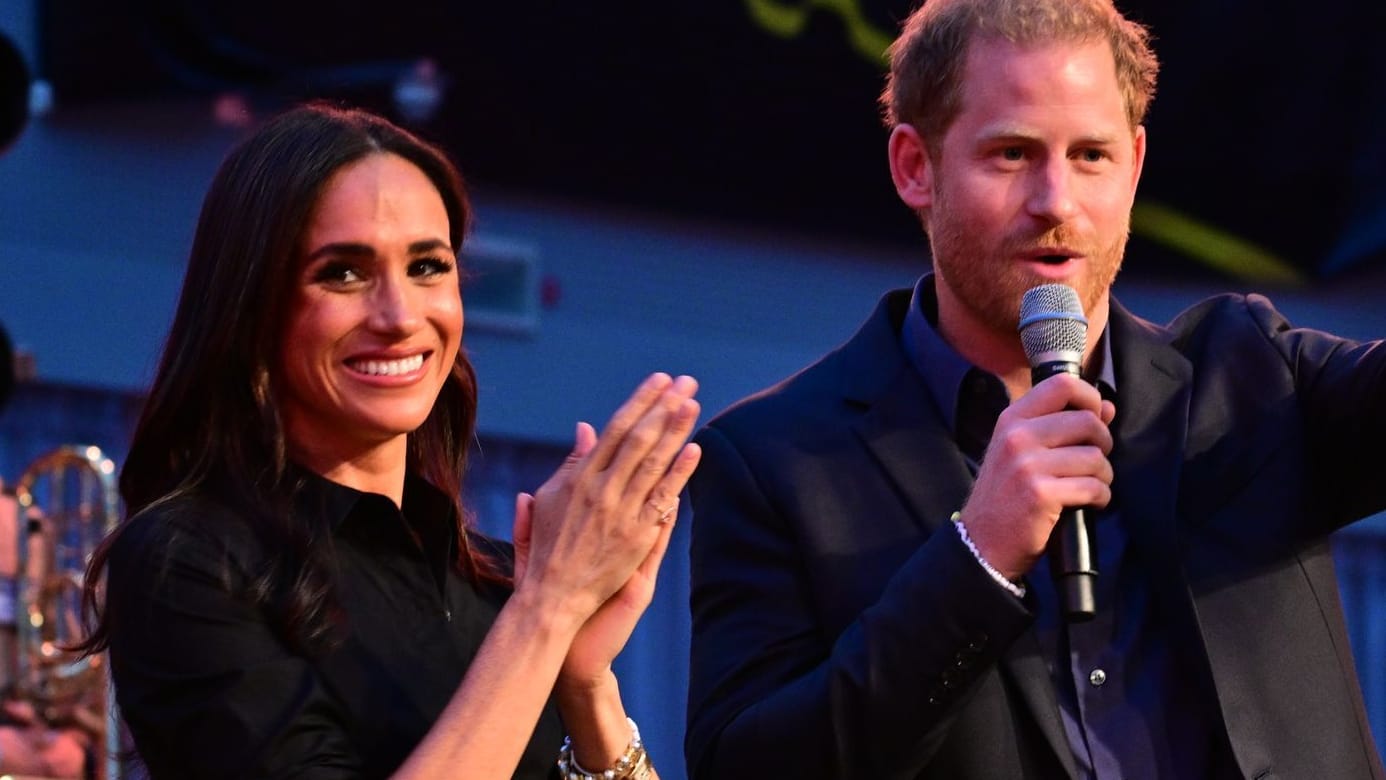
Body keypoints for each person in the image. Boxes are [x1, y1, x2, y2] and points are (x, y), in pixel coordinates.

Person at [684, 0, 1386, 778]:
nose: (1057, 201)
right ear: (916, 167)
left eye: (1091, 155)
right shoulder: (774, 462)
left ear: (1136, 164)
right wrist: (975, 559)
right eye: (1013, 155)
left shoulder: (1251, 375)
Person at [76, 102, 702, 779]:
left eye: (428, 266)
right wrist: (547, 609)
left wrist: (586, 686)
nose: (400, 317)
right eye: (343, 273)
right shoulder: (190, 562)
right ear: (253, 305)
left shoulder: (495, 583)